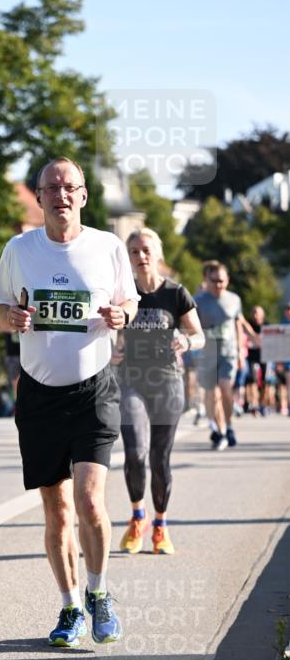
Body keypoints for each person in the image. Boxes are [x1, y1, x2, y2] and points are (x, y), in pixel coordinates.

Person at [0, 156, 138, 649]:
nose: (61, 195)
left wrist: (121, 315)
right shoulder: (19, 248)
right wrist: (10, 318)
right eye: (51, 187)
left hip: (94, 389)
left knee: (90, 501)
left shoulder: (107, 246)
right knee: (56, 510)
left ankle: (100, 593)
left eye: (70, 186)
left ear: (83, 195)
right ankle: (71, 606)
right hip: (38, 393)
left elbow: (129, 300)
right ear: (38, 197)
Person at [116, 229, 205, 556]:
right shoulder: (124, 294)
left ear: (158, 253)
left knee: (159, 458)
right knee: (135, 453)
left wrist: (187, 341)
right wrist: (112, 350)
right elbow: (111, 333)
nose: (141, 256)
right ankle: (138, 516)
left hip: (167, 382)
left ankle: (161, 525)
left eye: (146, 250)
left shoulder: (176, 293)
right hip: (132, 381)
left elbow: (199, 335)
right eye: (134, 251)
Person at [194, 262, 256, 451]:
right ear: (207, 280)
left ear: (227, 280)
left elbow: (238, 323)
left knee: (225, 389)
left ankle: (228, 426)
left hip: (228, 352)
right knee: (212, 394)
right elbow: (191, 325)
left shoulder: (234, 299)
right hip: (208, 353)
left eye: (221, 281)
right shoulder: (198, 300)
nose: (218, 285)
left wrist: (241, 350)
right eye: (214, 281)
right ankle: (219, 429)